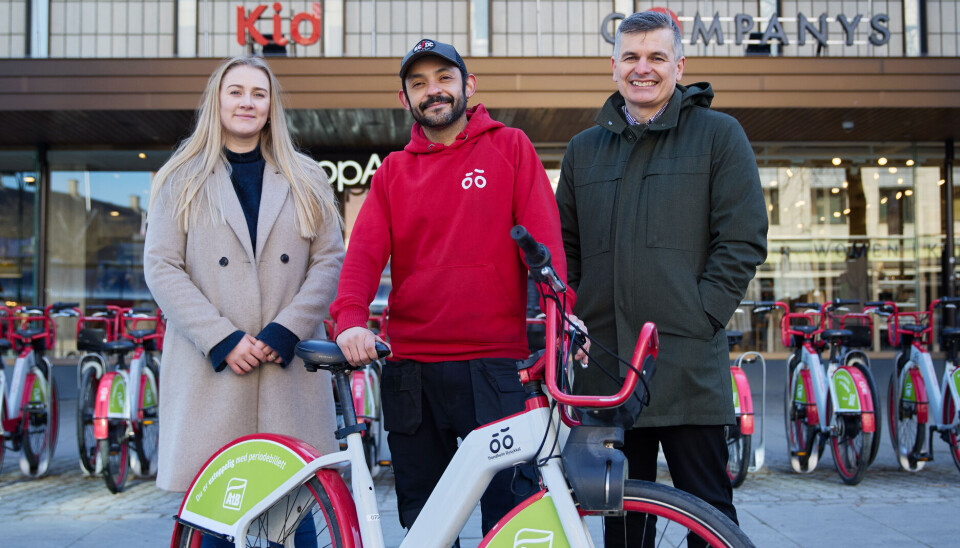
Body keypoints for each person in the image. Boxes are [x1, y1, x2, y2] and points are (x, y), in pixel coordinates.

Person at [330, 38, 580, 538]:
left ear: (469, 85)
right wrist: (350, 320)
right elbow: (362, 256)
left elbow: (545, 250)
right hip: (411, 371)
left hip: (494, 369)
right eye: (419, 83)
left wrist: (563, 315)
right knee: (426, 525)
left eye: (444, 78)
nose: (433, 91)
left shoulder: (511, 147)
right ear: (405, 99)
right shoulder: (393, 172)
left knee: (511, 520)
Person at [555, 10, 767, 547]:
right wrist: (575, 319)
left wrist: (703, 315)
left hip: (686, 362)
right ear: (614, 67)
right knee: (622, 518)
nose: (642, 68)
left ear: (679, 65)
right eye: (630, 56)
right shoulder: (583, 150)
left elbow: (742, 237)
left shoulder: (719, 136)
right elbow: (566, 249)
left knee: (709, 512)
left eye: (656, 56)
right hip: (608, 368)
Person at [143, 55, 344, 547]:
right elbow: (162, 267)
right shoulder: (180, 177)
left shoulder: (306, 176)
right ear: (217, 100)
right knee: (215, 518)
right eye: (236, 91)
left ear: (272, 106)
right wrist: (222, 338)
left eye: (259, 93)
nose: (247, 102)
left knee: (292, 521)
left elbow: (330, 260)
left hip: (286, 368)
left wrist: (287, 329)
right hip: (212, 371)